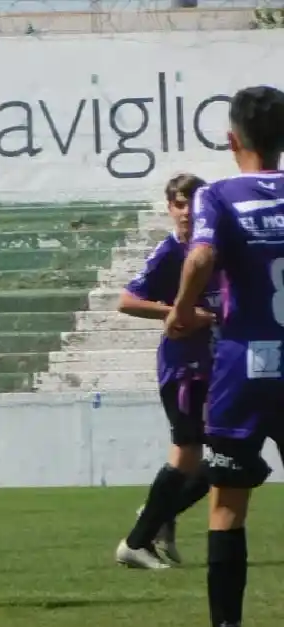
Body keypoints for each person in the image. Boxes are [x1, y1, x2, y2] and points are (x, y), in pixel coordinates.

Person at [165, 84, 284, 627]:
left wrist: (182, 310)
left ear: (232, 139)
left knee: (227, 507)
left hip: (243, 369)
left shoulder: (219, 195)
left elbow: (201, 257)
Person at [114, 173, 220, 570]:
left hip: (216, 365)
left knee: (230, 454)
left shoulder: (215, 250)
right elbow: (127, 301)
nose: (186, 213)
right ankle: (140, 538)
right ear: (169, 208)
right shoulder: (171, 253)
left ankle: (159, 511)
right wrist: (178, 312)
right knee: (191, 453)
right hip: (183, 368)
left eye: (192, 204)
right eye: (178, 205)